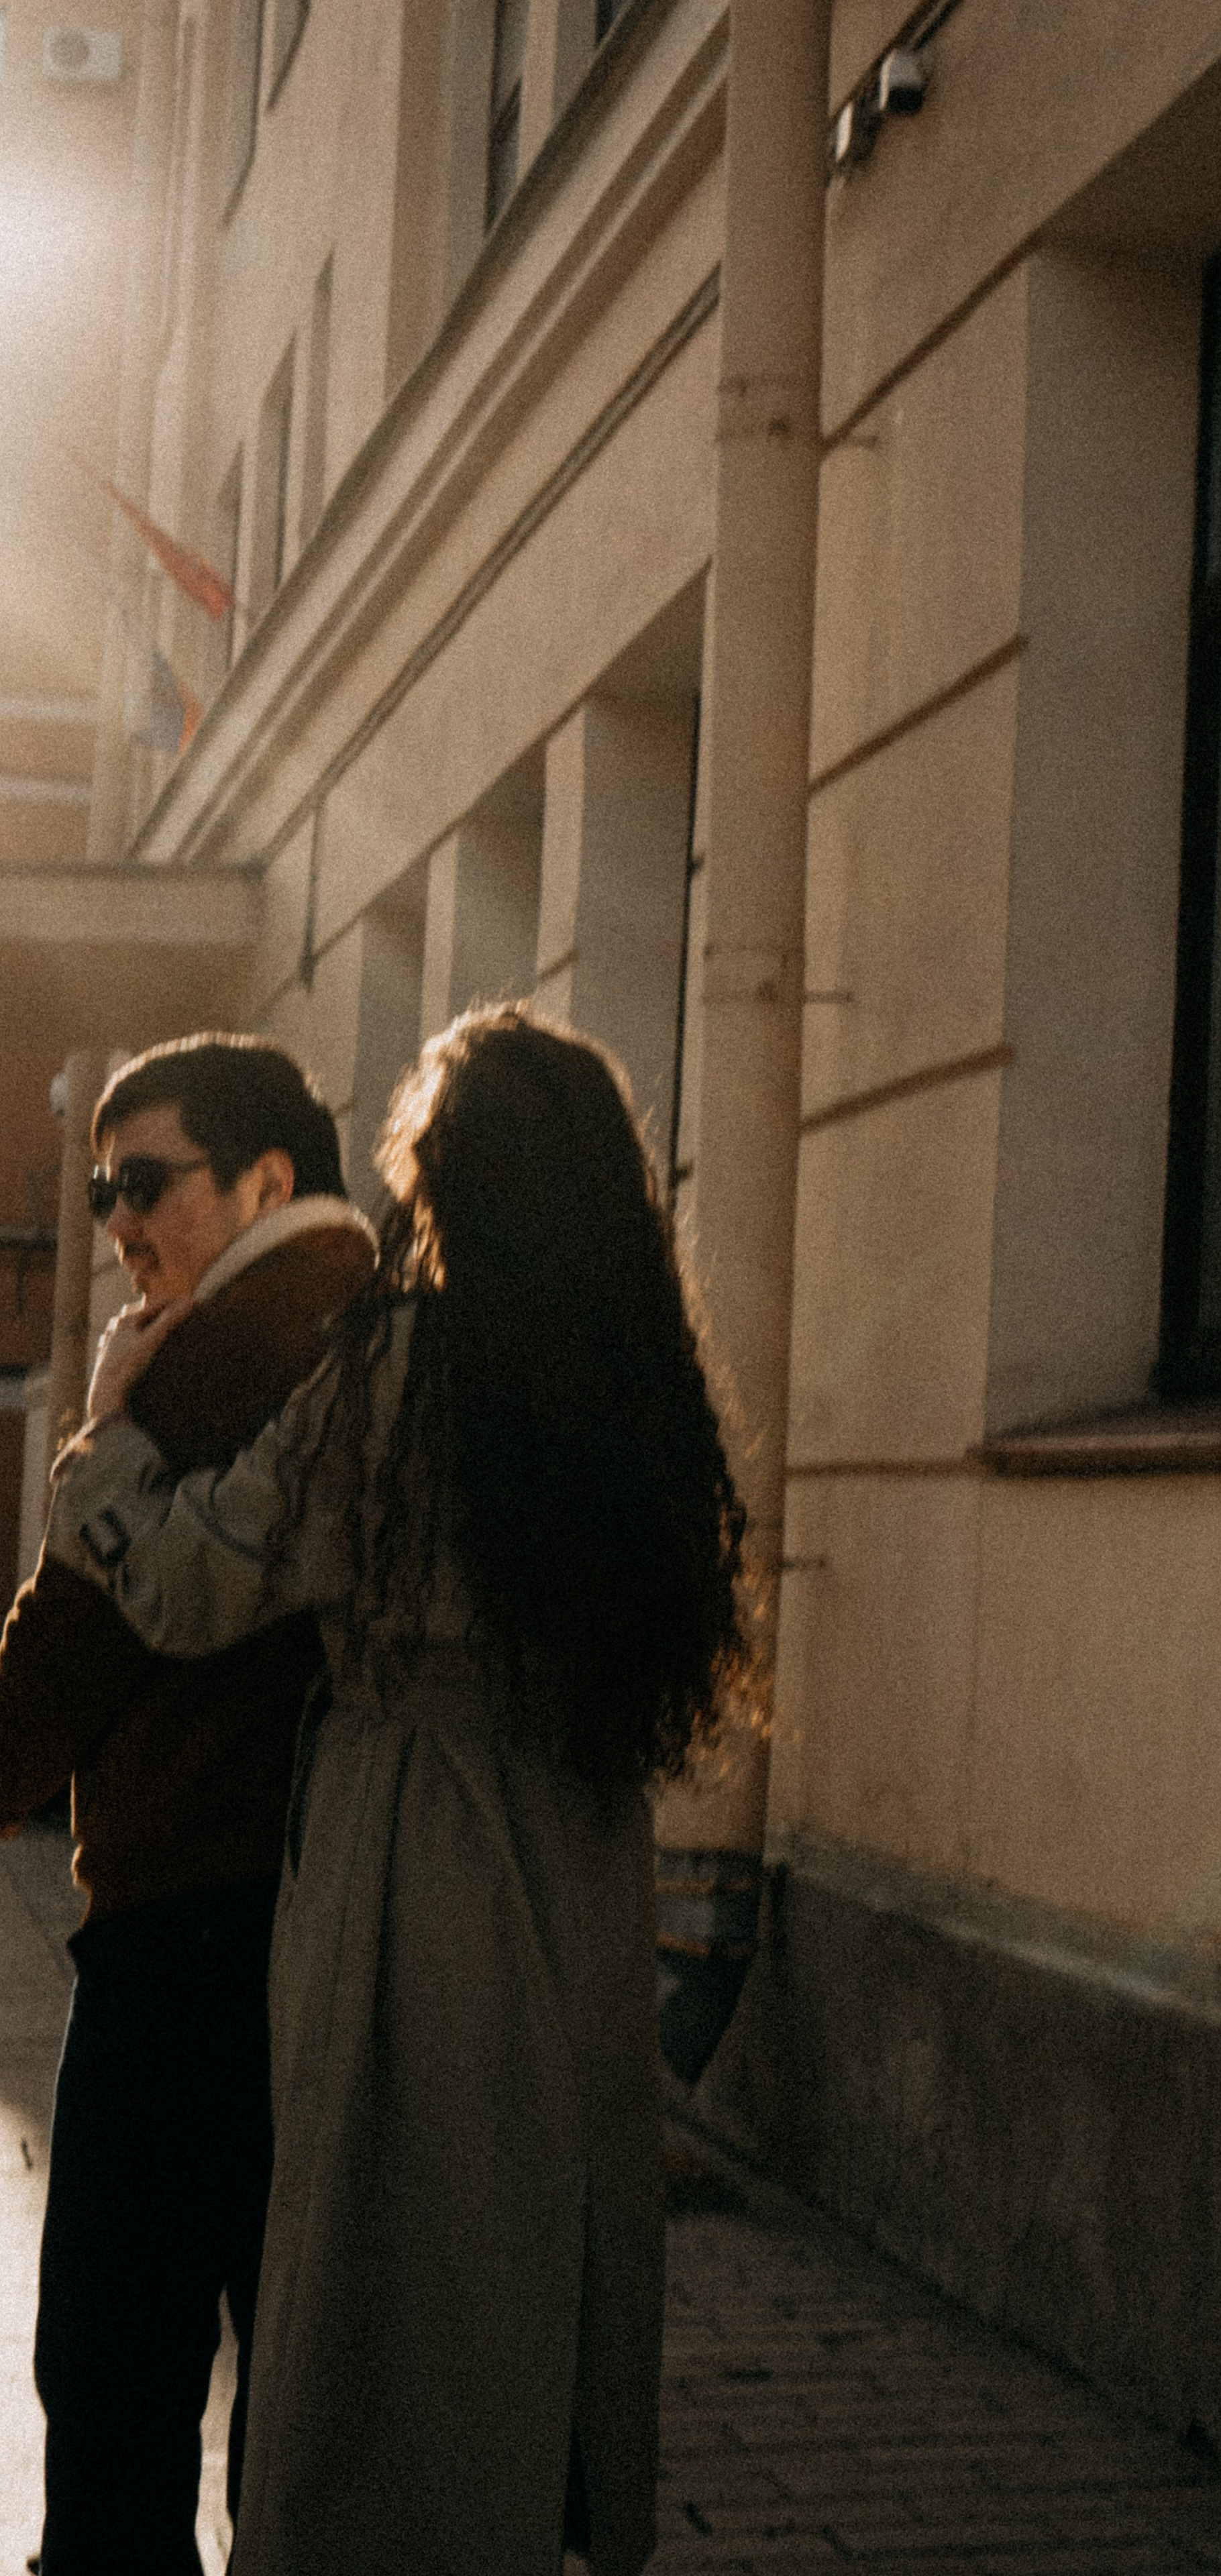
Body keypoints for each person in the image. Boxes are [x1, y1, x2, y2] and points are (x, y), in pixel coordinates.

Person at [46, 1005, 749, 2576]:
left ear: (456, 1177)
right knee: (527, 2250)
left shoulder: (404, 1368)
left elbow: (198, 1574)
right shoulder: (633, 1379)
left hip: (408, 1844)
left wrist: (100, 1448)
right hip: (575, 1850)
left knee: (373, 2281)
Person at [0, 1036, 376, 2575]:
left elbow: (52, 1675)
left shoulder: (225, 1352)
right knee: (285, 2384)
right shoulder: (347, 1311)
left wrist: (98, 1443)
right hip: (299, 1923)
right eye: (102, 1190)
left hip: (182, 1948)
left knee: (112, 2384)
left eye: (146, 1183)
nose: (117, 1223)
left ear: (266, 1182)